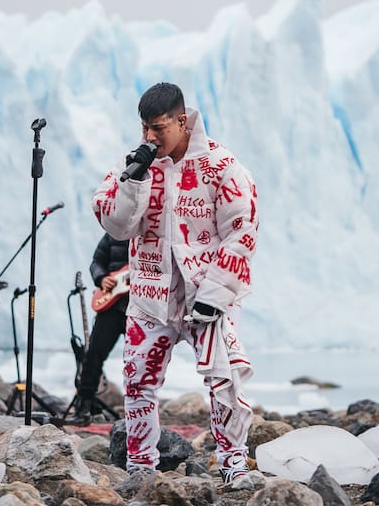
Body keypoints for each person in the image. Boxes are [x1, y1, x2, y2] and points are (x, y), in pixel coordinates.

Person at [92, 82, 258, 484]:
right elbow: (115, 225)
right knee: (138, 382)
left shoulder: (221, 166)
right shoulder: (134, 166)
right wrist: (133, 181)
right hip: (150, 296)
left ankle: (234, 463)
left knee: (224, 379)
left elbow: (243, 230)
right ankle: (141, 467)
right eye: (144, 128)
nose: (150, 137)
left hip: (206, 296)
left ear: (182, 121)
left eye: (158, 128)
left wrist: (216, 295)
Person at [65, 231, 129, 422]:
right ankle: (84, 405)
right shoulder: (113, 233)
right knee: (93, 356)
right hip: (110, 306)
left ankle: (138, 407)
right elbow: (96, 262)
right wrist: (101, 278)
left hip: (137, 306)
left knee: (138, 360)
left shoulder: (150, 231)